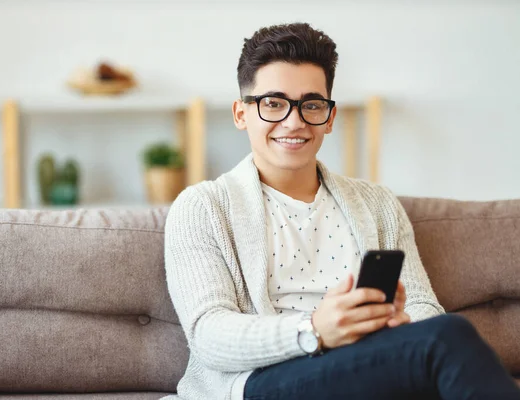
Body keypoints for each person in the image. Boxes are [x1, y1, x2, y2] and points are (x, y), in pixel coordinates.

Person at [163, 22, 520, 400]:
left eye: (311, 104)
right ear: (241, 113)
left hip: (367, 370)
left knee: (441, 333)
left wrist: (396, 324)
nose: (294, 121)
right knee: (450, 336)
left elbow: (422, 307)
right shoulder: (202, 207)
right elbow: (208, 335)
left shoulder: (378, 204)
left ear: (329, 117)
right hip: (263, 382)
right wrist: (314, 330)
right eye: (273, 103)